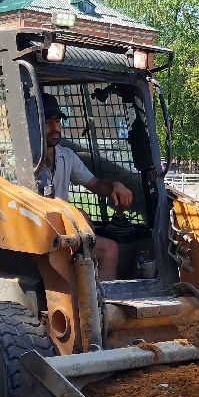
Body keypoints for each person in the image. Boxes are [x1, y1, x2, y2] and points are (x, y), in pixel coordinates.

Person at [36, 92, 133, 279]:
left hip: (64, 233)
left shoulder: (67, 156)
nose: (55, 128)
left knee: (109, 249)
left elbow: (95, 184)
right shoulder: (23, 160)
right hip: (35, 233)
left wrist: (115, 186)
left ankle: (102, 306)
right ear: (33, 124)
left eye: (57, 121)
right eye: (48, 122)